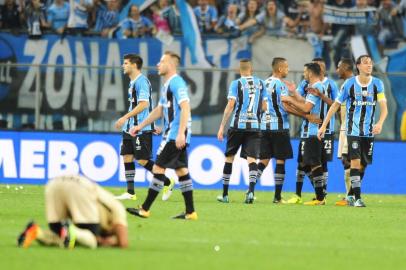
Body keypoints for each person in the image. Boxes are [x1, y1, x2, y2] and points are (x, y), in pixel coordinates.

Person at [126, 51, 197, 220]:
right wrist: (140, 126)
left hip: (174, 134)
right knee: (181, 171)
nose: (158, 64)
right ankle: (190, 212)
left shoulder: (177, 83)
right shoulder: (167, 85)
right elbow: (159, 110)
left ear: (171, 65)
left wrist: (180, 133)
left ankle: (144, 209)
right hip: (176, 133)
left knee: (158, 168)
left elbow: (186, 107)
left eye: (162, 61)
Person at [318, 55, 388, 207]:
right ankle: (357, 198)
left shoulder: (377, 84)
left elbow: (384, 108)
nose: (369, 65)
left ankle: (350, 195)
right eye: (365, 63)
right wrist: (323, 125)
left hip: (369, 132)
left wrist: (380, 123)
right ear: (358, 66)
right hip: (352, 131)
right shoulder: (349, 84)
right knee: (354, 163)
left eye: (370, 63)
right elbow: (335, 105)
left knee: (363, 164)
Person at [115, 54, 174, 202]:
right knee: (127, 156)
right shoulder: (133, 82)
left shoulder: (142, 82)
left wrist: (125, 117)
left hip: (139, 129)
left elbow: (144, 104)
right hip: (130, 128)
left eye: (126, 63)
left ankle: (167, 182)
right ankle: (130, 192)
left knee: (141, 160)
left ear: (134, 65)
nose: (123, 65)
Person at [17, 175, 128, 249]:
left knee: (60, 234)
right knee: (92, 241)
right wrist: (110, 242)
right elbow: (123, 243)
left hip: (54, 184)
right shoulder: (118, 209)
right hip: (80, 188)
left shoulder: (106, 209)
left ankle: (36, 232)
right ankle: (72, 230)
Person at [216, 59, 266, 204]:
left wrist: (221, 126)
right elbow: (264, 106)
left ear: (240, 70)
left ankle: (225, 195)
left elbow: (230, 105)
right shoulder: (261, 83)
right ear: (252, 69)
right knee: (252, 159)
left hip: (237, 125)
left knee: (229, 158)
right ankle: (250, 192)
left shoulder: (236, 84)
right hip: (254, 126)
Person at [282, 63, 326, 205]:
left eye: (305, 71)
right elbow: (304, 102)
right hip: (307, 131)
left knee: (314, 163)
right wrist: (294, 93)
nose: (304, 73)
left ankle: (320, 198)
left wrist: (289, 99)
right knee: (304, 164)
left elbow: (307, 108)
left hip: (314, 132)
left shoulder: (317, 87)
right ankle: (320, 193)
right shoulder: (312, 87)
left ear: (311, 73)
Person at [257, 57, 294, 203]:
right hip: (279, 127)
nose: (288, 69)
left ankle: (250, 190)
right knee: (280, 161)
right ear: (279, 69)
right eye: (286, 67)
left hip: (264, 128)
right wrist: (304, 114)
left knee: (264, 160)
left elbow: (261, 106)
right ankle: (277, 197)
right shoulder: (281, 85)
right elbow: (286, 105)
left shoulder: (263, 83)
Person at [307, 58, 339, 197]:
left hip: (327, 129)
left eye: (321, 66)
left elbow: (336, 105)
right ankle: (318, 192)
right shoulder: (306, 84)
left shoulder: (331, 85)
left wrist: (321, 95)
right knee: (306, 162)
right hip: (308, 128)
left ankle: (322, 193)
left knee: (323, 162)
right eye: (317, 65)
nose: (319, 68)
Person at [334, 58, 355, 206]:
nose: (337, 70)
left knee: (351, 159)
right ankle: (350, 195)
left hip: (353, 128)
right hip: (344, 127)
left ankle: (351, 195)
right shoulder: (344, 85)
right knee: (345, 160)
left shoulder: (355, 84)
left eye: (339, 67)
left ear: (346, 68)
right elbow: (338, 105)